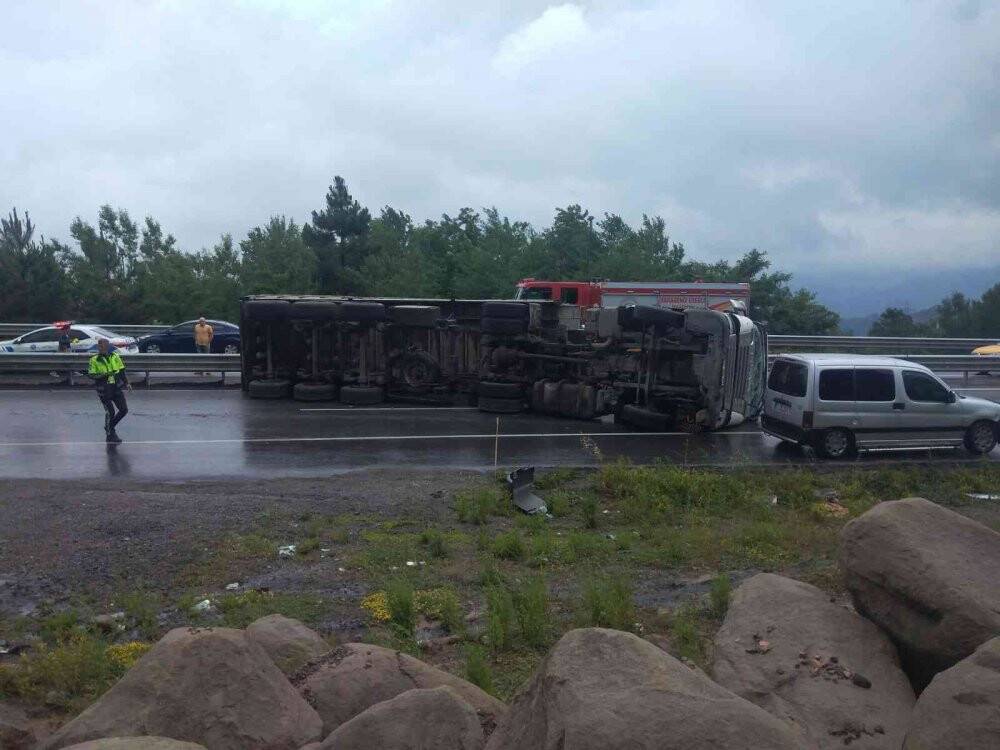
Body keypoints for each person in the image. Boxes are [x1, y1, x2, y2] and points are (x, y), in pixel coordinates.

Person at [88, 338, 132, 443]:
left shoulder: (115, 356)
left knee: (124, 410)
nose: (102, 348)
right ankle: (110, 434)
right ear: (98, 347)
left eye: (104, 346)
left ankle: (109, 427)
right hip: (103, 389)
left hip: (116, 387)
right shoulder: (94, 360)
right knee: (110, 412)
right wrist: (104, 375)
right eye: (100, 346)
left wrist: (127, 383)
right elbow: (91, 375)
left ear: (108, 347)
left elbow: (121, 371)